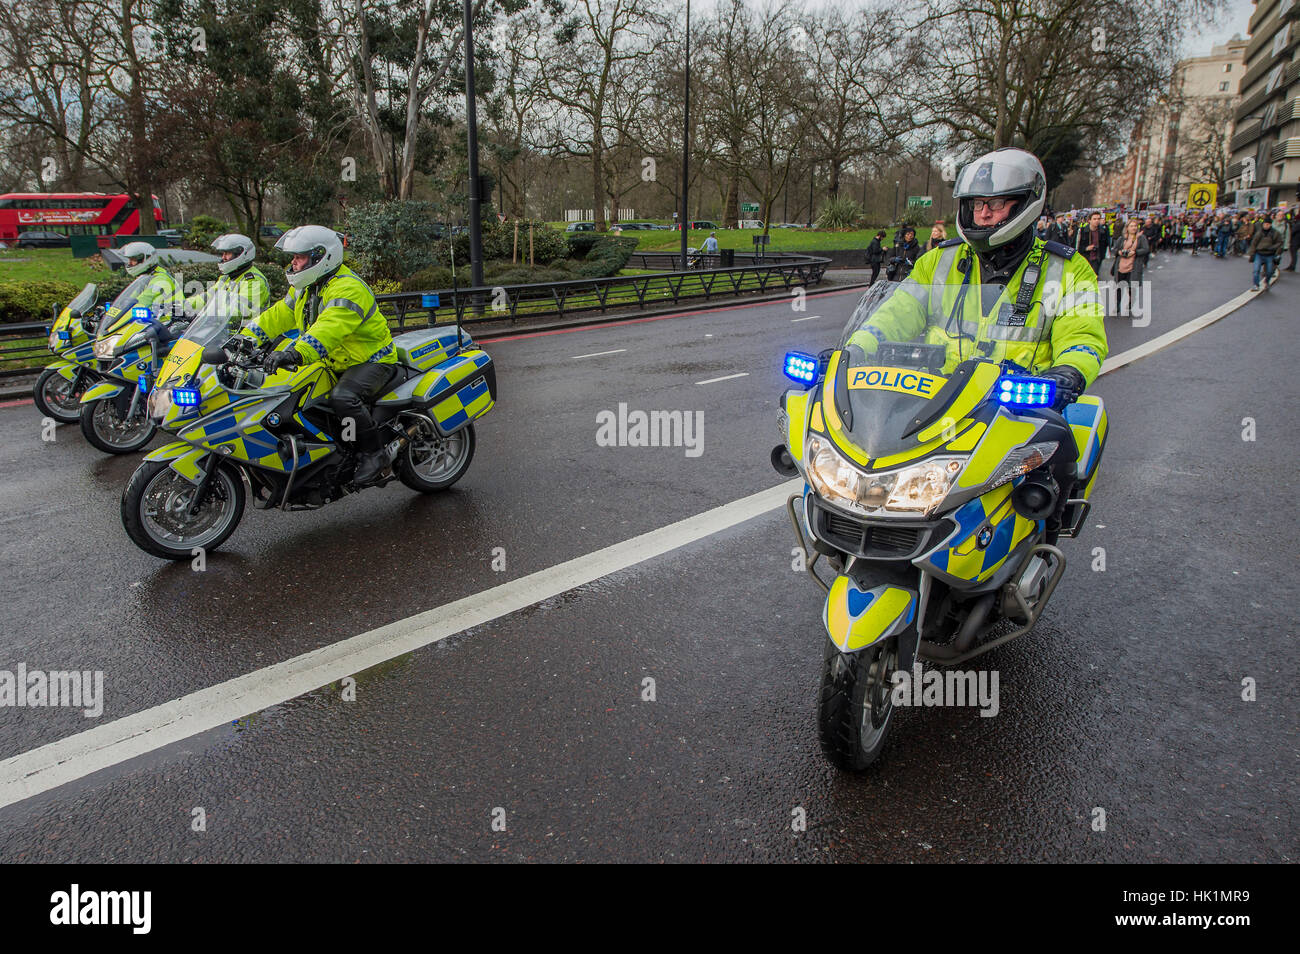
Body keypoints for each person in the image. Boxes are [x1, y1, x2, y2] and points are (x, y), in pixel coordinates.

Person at [846, 147, 1107, 533]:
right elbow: (896, 313)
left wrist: (1068, 373)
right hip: (938, 402)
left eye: (996, 203)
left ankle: (1046, 532)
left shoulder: (1066, 269)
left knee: (1054, 467)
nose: (983, 214)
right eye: (976, 204)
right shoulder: (940, 260)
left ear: (1025, 205)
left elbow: (1083, 335)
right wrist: (855, 349)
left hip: (1017, 409)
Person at [241, 225, 398, 485]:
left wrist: (294, 353)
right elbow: (276, 316)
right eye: (294, 257)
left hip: (370, 360)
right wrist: (246, 338)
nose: (293, 263)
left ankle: (375, 455)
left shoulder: (348, 288)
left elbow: (329, 330)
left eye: (299, 257)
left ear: (321, 257)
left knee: (343, 397)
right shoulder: (307, 287)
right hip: (332, 361)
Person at [183, 233, 270, 321]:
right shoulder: (228, 277)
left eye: (228, 253)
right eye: (223, 253)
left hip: (245, 331)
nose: (223, 257)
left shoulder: (254, 280)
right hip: (225, 330)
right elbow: (208, 297)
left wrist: (204, 315)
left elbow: (241, 310)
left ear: (242, 254)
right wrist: (184, 305)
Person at [118, 240, 181, 311]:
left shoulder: (160, 279)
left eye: (133, 260)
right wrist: (120, 306)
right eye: (129, 260)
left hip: (168, 319)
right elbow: (132, 298)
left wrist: (126, 308)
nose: (130, 263)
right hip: (157, 318)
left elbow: (144, 300)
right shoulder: (147, 277)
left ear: (146, 259)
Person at [1110, 218, 1148, 317]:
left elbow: (1146, 249)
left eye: (1135, 226)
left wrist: (1135, 252)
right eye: (1131, 226)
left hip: (1133, 266)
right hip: (1121, 265)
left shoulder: (1141, 238)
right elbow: (1114, 249)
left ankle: (1131, 302)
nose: (1134, 228)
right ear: (1127, 228)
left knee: (1131, 287)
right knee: (1119, 286)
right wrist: (1119, 252)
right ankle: (1117, 305)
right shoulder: (1122, 238)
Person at [1247, 216, 1283, 290]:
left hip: (1270, 254)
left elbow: (1279, 242)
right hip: (1259, 253)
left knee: (1269, 271)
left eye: (1267, 224)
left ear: (1270, 224)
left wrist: (1273, 248)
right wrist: (1252, 253)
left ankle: (1267, 282)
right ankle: (1256, 285)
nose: (1266, 225)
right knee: (1256, 270)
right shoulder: (1259, 233)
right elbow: (1254, 243)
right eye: (1265, 224)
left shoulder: (1275, 233)